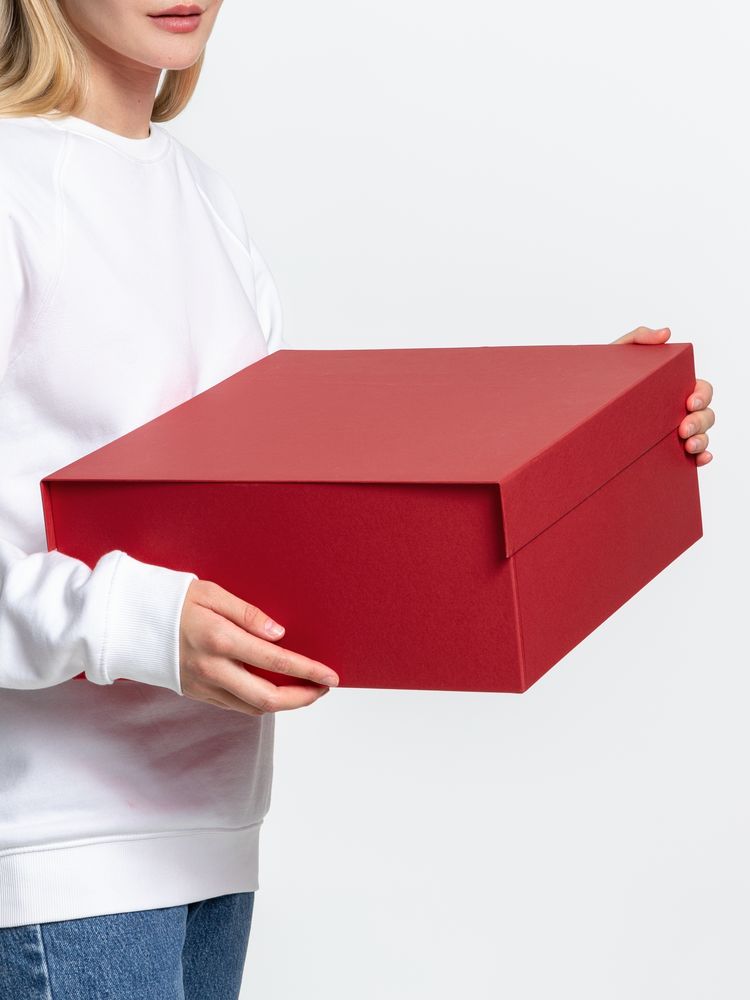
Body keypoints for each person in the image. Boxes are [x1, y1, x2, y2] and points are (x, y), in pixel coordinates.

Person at [0, 1, 716, 997]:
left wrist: (596, 420)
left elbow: (281, 489)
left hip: (212, 834)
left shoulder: (200, 196)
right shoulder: (13, 187)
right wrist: (137, 621)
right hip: (53, 852)